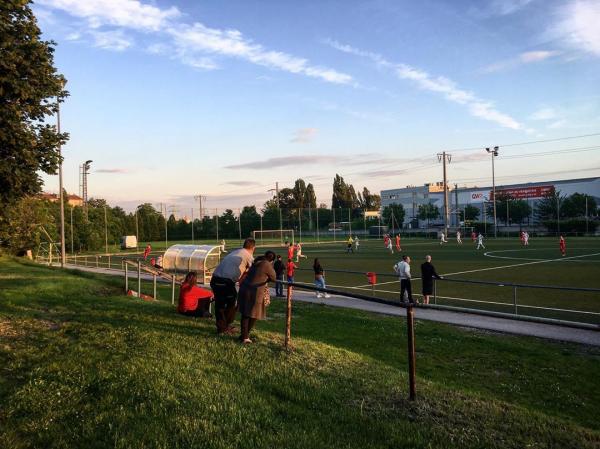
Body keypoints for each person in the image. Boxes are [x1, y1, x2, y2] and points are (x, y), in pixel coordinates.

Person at [210, 237, 256, 335]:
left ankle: (222, 327)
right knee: (232, 304)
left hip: (215, 279)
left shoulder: (235, 252)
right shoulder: (249, 256)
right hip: (226, 281)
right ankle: (224, 327)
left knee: (219, 304)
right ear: (253, 248)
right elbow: (255, 271)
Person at [238, 251, 277, 344]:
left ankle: (244, 336)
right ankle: (245, 337)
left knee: (246, 314)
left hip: (245, 289)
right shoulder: (266, 264)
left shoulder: (257, 262)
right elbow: (274, 277)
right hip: (254, 291)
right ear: (271, 260)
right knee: (253, 314)